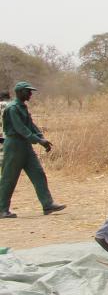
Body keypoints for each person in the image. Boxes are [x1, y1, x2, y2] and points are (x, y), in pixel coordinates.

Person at [0, 81, 64, 218]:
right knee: (9, 178)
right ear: (20, 92)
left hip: (25, 145)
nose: (30, 94)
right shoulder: (12, 108)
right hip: (14, 145)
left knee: (38, 173)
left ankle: (47, 204)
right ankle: (2, 209)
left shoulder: (22, 107)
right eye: (27, 91)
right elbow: (21, 129)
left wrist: (42, 138)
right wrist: (38, 140)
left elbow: (30, 125)